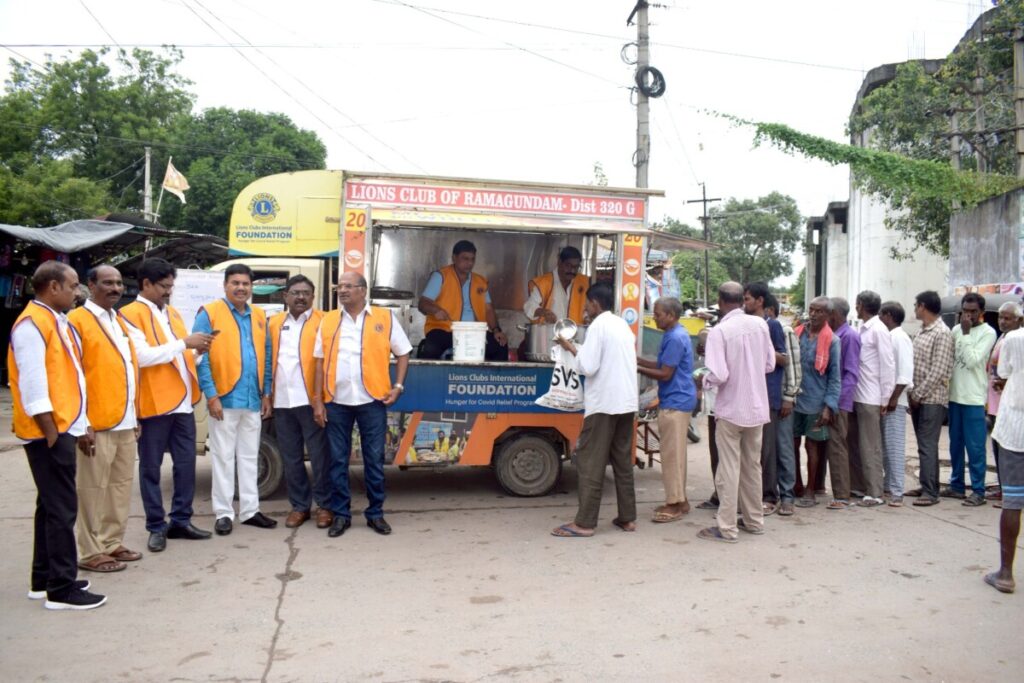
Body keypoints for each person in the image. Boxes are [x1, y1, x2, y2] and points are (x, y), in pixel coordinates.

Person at [9, 261, 105, 609]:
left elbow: (70, 379)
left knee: (49, 507)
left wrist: (80, 425)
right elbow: (34, 387)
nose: (78, 291)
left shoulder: (55, 320)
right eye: (74, 285)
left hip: (64, 426)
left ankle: (43, 579)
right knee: (63, 510)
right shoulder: (32, 326)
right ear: (52, 287)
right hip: (48, 432)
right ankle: (61, 590)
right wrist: (53, 435)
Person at [121, 258, 214, 553]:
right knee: (151, 468)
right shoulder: (128, 314)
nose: (168, 292)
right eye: (163, 286)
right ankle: (155, 526)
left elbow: (179, 355)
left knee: (186, 466)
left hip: (184, 403)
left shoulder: (172, 312)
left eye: (171, 286)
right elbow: (143, 357)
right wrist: (185, 343)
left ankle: (181, 521)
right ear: (146, 284)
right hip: (154, 404)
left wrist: (197, 352)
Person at [313, 271, 411, 537]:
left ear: (362, 290)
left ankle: (375, 513)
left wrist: (398, 386)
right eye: (339, 286)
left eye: (348, 286)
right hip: (336, 401)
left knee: (374, 460)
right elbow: (319, 362)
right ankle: (341, 515)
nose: (342, 290)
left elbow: (403, 353)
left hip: (372, 400)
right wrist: (318, 401)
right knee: (337, 461)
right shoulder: (328, 320)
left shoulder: (385, 318)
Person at [66, 265, 143, 573]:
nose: (115, 288)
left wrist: (135, 414)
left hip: (125, 420)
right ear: (91, 285)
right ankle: (89, 550)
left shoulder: (118, 320)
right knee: (91, 488)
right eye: (108, 283)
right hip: (94, 423)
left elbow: (128, 370)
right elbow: (73, 377)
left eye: (119, 283)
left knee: (120, 486)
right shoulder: (77, 322)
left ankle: (112, 542)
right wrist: (82, 422)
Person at [551, 283, 639, 537]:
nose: (586, 309)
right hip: (626, 402)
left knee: (590, 461)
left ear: (595, 303)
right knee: (622, 461)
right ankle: (627, 517)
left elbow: (587, 367)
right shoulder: (622, 324)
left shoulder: (598, 326)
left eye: (587, 304)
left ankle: (585, 523)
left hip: (604, 404)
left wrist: (570, 348)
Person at [193, 263, 275, 536]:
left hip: (253, 399)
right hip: (224, 399)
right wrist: (211, 395)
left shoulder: (260, 315)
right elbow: (200, 358)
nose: (241, 288)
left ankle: (250, 511)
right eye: (235, 283)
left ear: (252, 287)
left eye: (246, 284)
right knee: (223, 457)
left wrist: (267, 393)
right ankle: (224, 513)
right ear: (225, 285)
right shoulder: (210, 313)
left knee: (250, 457)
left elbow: (265, 356)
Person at [697, 282, 775, 543]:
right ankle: (754, 521)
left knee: (728, 469)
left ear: (720, 301)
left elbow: (718, 374)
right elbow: (769, 364)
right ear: (742, 299)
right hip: (756, 407)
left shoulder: (720, 331)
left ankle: (727, 527)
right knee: (752, 466)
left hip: (731, 409)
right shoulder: (760, 325)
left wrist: (704, 381)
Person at [267, 275, 330, 529]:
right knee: (291, 457)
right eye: (295, 292)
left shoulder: (325, 321)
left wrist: (321, 400)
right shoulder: (273, 323)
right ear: (285, 296)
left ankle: (325, 506)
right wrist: (267, 395)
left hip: (311, 400)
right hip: (282, 401)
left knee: (319, 456)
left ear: (313, 297)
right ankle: (299, 507)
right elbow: (266, 360)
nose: (301, 297)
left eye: (306, 293)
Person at [637, 297, 696, 523]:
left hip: (676, 402)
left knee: (671, 456)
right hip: (677, 399)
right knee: (676, 454)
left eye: (658, 314)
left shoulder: (675, 338)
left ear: (671, 315)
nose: (655, 318)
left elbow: (665, 374)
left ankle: (674, 504)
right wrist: (637, 361)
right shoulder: (673, 334)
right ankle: (680, 500)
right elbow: (661, 365)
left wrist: (636, 368)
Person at [946, 292, 997, 507]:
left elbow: (974, 360)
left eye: (973, 312)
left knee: (975, 447)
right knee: (955, 444)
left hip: (974, 398)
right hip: (954, 396)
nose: (968, 315)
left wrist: (966, 335)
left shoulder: (988, 333)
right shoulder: (955, 330)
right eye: (965, 311)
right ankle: (956, 484)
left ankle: (978, 490)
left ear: (981, 313)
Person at [417, 240, 508, 360]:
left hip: (475, 332)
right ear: (454, 258)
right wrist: (435, 310)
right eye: (465, 258)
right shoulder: (441, 276)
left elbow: (488, 310)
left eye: (472, 259)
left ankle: (488, 377)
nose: (470, 263)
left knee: (500, 346)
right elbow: (423, 303)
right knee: (430, 348)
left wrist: (496, 331)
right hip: (444, 330)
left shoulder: (480, 282)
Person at [905, 290, 955, 506]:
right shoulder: (922, 331)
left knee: (927, 444)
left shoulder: (942, 333)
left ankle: (931, 492)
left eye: (916, 305)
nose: (914, 309)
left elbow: (939, 370)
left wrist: (918, 393)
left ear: (923, 306)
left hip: (932, 399)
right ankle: (927, 484)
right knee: (923, 444)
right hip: (918, 397)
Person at [743, 282, 788, 516]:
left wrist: (765, 351)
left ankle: (770, 496)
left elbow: (784, 359)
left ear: (760, 301)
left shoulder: (773, 326)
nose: (745, 303)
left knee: (766, 450)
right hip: (747, 395)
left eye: (748, 299)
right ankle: (750, 497)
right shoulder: (744, 325)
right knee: (750, 451)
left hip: (768, 396)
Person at [793, 297, 842, 509]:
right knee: (791, 444)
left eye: (819, 311)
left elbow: (835, 377)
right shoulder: (797, 334)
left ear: (828, 316)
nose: (813, 314)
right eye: (811, 310)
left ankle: (811, 489)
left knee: (811, 446)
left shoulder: (833, 341)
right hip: (794, 399)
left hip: (816, 401)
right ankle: (796, 484)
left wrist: (828, 406)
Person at [986, 326, 1024, 594]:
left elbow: (1004, 373)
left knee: (1012, 500)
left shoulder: (1015, 338)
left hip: (1015, 427)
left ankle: (1006, 574)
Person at [851, 290, 896, 507]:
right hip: (860, 394)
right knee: (861, 445)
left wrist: (885, 399)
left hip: (871, 396)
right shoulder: (864, 328)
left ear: (861, 305)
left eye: (857, 304)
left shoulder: (878, 330)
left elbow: (888, 365)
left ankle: (876, 492)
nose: (855, 307)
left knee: (871, 446)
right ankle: (864, 487)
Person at [817, 297, 860, 508]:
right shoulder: (834, 335)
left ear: (833, 314)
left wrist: (838, 403)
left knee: (837, 447)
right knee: (826, 446)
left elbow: (851, 373)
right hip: (829, 399)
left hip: (839, 402)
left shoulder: (848, 336)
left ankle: (842, 495)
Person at [767, 295, 801, 516]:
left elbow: (793, 367)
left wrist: (789, 396)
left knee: (784, 447)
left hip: (782, 395)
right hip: (765, 397)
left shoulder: (785, 330)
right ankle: (771, 494)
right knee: (768, 449)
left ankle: (787, 495)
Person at [987, 302, 1023, 507]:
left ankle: (1009, 493)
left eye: (1007, 318)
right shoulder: (1003, 337)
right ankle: (1004, 488)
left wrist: (1005, 382)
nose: (1002, 321)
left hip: (1011, 404)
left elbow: (1010, 373)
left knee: (1009, 451)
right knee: (999, 448)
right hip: (996, 401)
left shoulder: (1015, 340)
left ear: (1019, 320)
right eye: (1000, 317)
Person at [879, 301, 914, 507]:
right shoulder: (891, 336)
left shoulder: (900, 337)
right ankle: (888, 484)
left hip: (896, 401)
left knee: (894, 446)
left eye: (882, 315)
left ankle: (897, 490)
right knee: (885, 446)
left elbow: (904, 373)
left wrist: (893, 398)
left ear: (889, 315)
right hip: (887, 400)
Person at [523, 246, 590, 324]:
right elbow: (529, 306)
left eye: (576, 267)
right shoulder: (544, 283)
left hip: (575, 333)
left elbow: (587, 308)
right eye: (568, 266)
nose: (572, 270)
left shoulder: (584, 282)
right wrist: (544, 312)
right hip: (548, 333)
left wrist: (587, 317)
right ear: (559, 262)